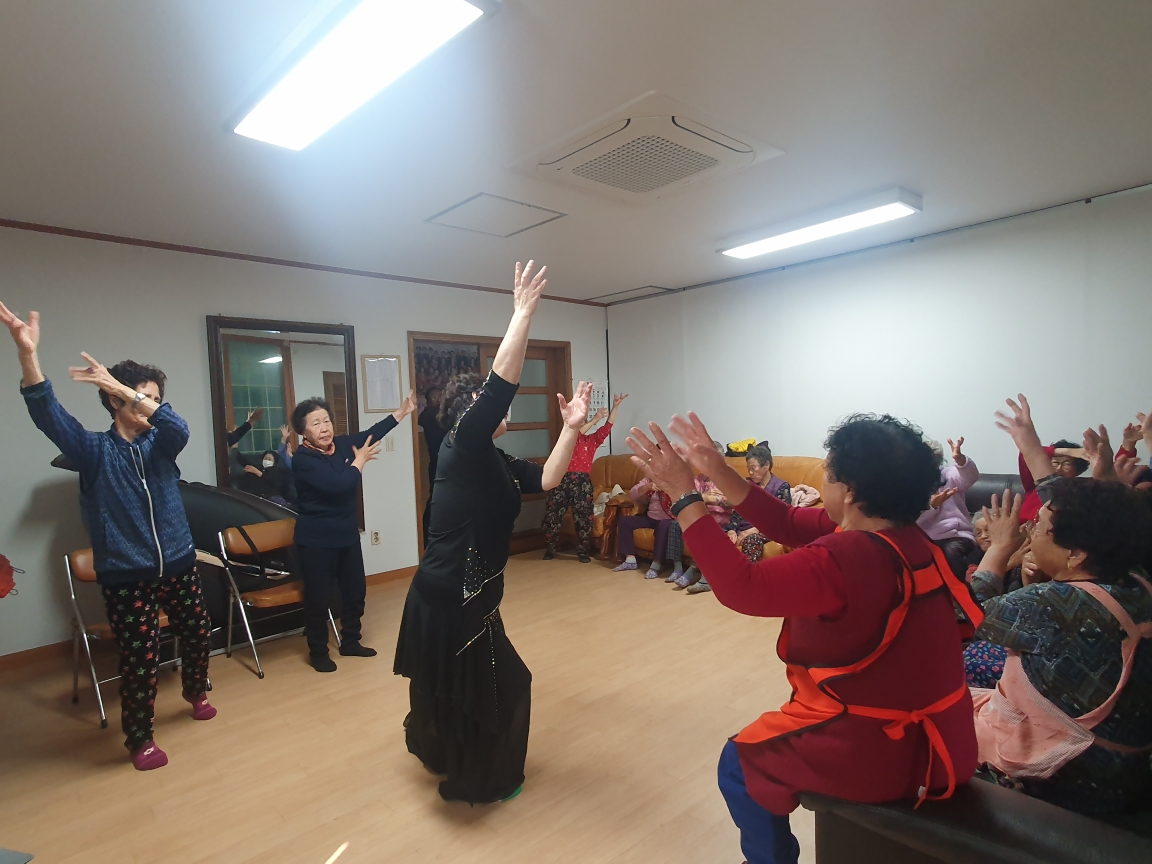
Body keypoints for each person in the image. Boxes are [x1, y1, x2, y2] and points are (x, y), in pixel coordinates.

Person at [626, 411, 981, 864]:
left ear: (849, 492)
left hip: (883, 753)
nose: (823, 480)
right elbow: (786, 522)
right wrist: (715, 466)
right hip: (946, 743)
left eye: (828, 473)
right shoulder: (905, 537)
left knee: (739, 763)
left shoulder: (845, 556)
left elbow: (741, 587)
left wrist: (683, 495)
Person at [393, 261, 591, 804]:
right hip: (452, 593)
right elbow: (501, 386)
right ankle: (483, 778)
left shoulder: (493, 459)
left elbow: (548, 479)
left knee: (462, 682)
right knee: (504, 683)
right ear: (471, 412)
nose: (496, 407)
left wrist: (571, 429)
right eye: (484, 402)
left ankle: (445, 753)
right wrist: (522, 314)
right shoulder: (462, 443)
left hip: (465, 592)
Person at [2, 301, 216, 771]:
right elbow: (48, 415)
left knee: (198, 632)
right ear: (114, 402)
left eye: (153, 398)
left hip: (179, 561)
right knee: (140, 659)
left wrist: (125, 389)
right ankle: (140, 740)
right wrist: (28, 355)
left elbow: (177, 425)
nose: (149, 406)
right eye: (140, 398)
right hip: (126, 574)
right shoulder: (94, 451)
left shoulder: (163, 445)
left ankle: (196, 690)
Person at [970, 396, 1152, 816]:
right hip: (1128, 766)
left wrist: (999, 548)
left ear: (1075, 554)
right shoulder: (1136, 575)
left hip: (1072, 776)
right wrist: (1030, 445)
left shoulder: (1053, 604)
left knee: (961, 667)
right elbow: (1072, 506)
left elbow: (964, 613)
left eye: (1040, 527)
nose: (1032, 528)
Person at [291, 388, 417, 672]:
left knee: (355, 591)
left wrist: (401, 412)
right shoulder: (303, 460)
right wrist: (359, 462)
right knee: (319, 598)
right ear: (303, 431)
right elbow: (339, 485)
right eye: (316, 423)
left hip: (346, 534)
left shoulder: (342, 445)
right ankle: (318, 652)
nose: (324, 428)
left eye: (326, 421)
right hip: (316, 539)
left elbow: (372, 434)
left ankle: (350, 641)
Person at [542, 392, 628, 563]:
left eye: (582, 421)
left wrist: (615, 406)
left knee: (584, 518)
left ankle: (583, 551)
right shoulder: (569, 437)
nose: (580, 424)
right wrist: (595, 419)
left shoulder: (592, 440)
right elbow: (576, 432)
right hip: (561, 479)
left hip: (582, 482)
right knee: (553, 516)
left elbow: (608, 426)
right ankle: (550, 548)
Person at [917, 436, 980, 578]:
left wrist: (960, 460)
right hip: (924, 538)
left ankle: (960, 589)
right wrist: (932, 506)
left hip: (956, 535)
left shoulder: (948, 475)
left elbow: (969, 477)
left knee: (951, 552)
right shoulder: (910, 484)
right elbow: (912, 520)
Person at [613, 477, 682, 579]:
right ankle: (630, 560)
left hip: (668, 519)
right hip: (650, 518)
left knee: (663, 526)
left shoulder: (675, 478)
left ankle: (656, 564)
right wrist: (647, 487)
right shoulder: (649, 480)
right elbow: (633, 493)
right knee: (625, 521)